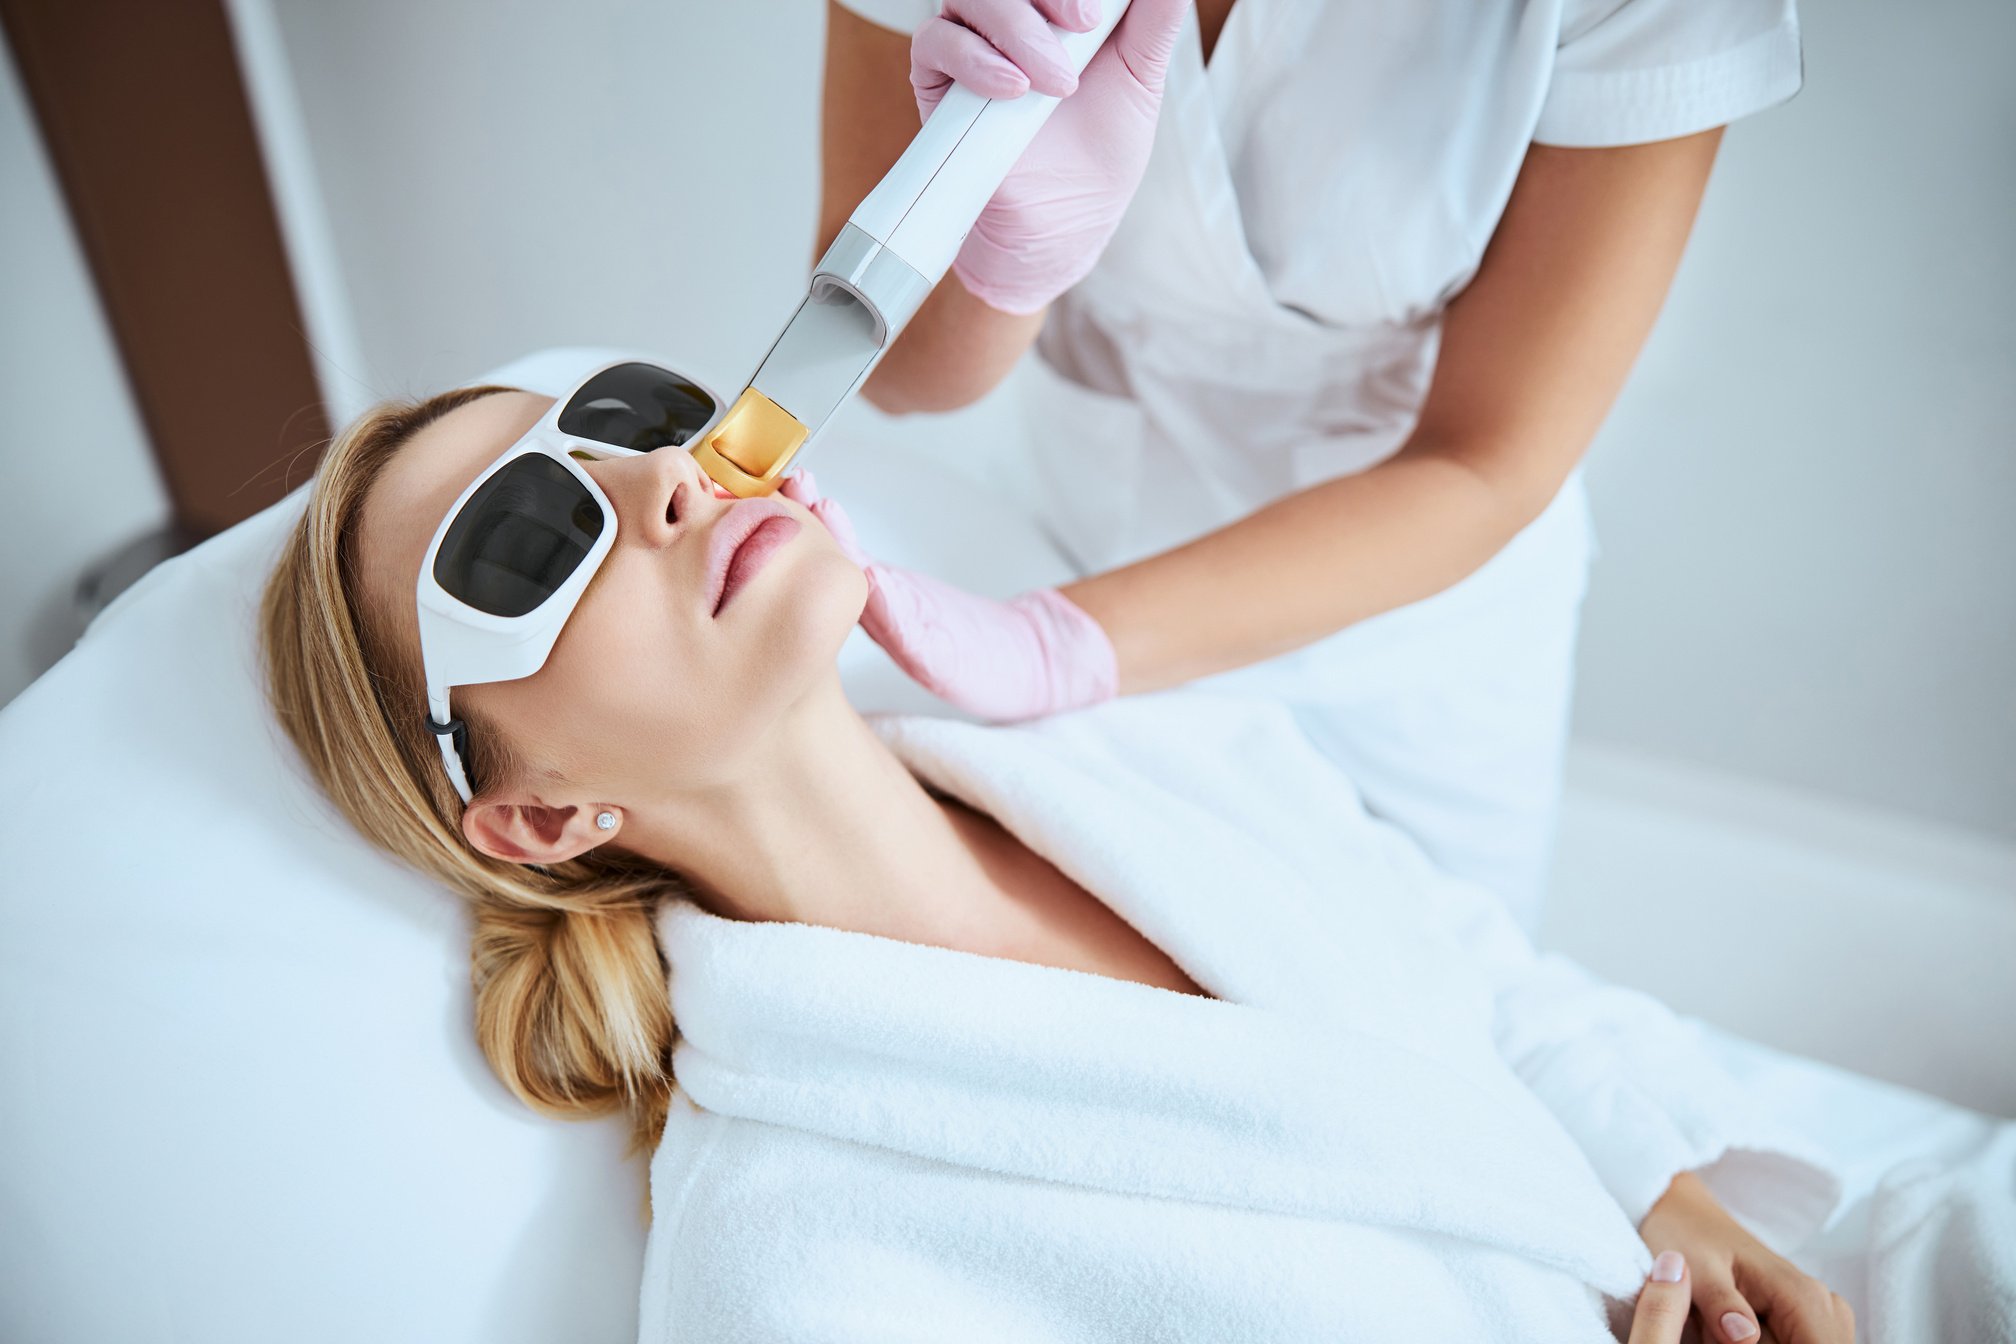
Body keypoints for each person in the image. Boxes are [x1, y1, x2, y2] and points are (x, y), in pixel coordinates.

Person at [258, 384, 1861, 1342]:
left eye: (628, 416)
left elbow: (1468, 965)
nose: (672, 474)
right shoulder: (792, 1267)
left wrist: (1661, 1182)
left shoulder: (1132, 749)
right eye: (530, 541)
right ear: (540, 814)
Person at [814, 0, 1806, 930]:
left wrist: (1055, 646)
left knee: (1429, 1020)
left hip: (1407, 638)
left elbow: (1487, 460)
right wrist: (1001, 258)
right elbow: (894, 375)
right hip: (1078, 528)